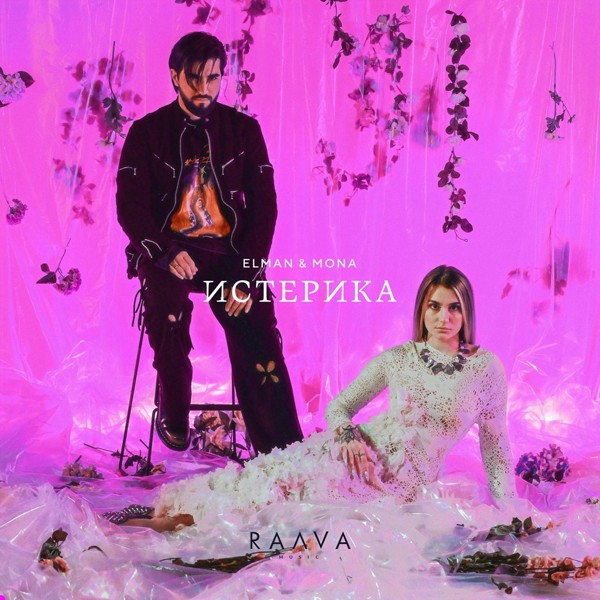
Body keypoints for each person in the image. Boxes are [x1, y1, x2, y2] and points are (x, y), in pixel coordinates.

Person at [108, 265, 515, 531]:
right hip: (351, 457)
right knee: (271, 481)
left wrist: (508, 509)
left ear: (467, 312)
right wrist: (348, 437)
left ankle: (174, 520)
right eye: (434, 306)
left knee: (281, 513)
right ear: (421, 310)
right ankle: (168, 513)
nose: (443, 318)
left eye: (454, 308)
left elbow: (495, 445)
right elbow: (339, 407)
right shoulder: (398, 359)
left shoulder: (485, 369)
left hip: (396, 488)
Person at [115, 32, 303, 454]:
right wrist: (163, 252)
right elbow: (130, 206)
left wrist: (247, 275)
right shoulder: (146, 133)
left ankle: (283, 453)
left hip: (230, 255)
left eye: (213, 78)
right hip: (168, 252)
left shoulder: (244, 131)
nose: (204, 88)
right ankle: (174, 406)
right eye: (195, 78)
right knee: (168, 313)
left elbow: (265, 208)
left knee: (256, 327)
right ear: (175, 77)